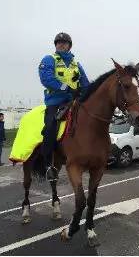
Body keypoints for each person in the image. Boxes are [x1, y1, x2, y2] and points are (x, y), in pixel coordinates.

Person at [39, 32, 90, 181]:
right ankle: (48, 165)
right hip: (55, 102)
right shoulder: (49, 60)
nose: (61, 44)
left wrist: (85, 94)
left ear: (69, 46)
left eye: (64, 42)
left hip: (73, 102)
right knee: (50, 127)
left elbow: (85, 84)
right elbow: (47, 79)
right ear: (55, 45)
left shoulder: (77, 64)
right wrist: (67, 88)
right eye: (58, 42)